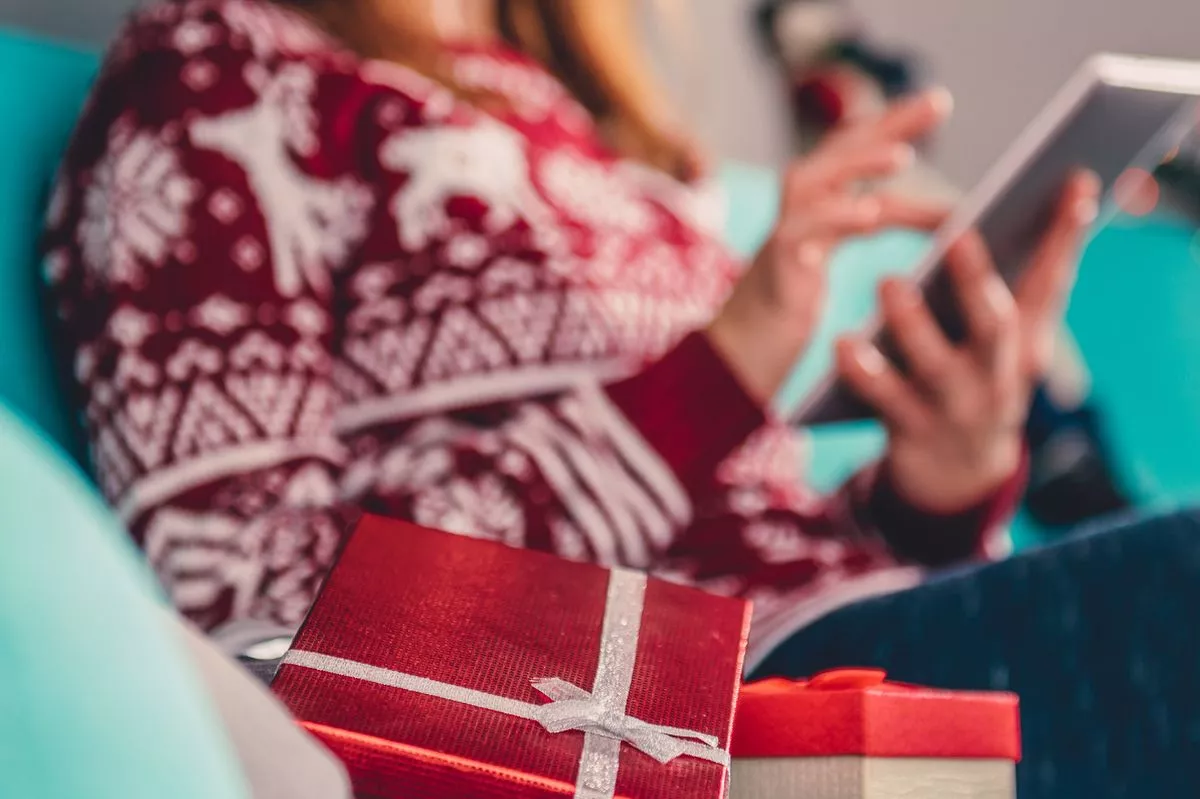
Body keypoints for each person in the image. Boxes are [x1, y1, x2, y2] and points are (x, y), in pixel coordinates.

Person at [46, 1, 1198, 795]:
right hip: (693, 721)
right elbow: (237, 601)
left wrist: (925, 500)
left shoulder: (591, 131)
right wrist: (711, 379)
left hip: (847, 665)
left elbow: (734, 530)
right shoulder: (214, 82)